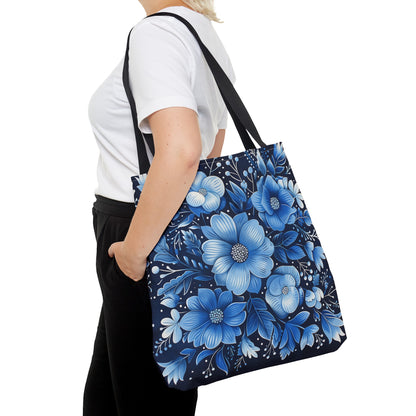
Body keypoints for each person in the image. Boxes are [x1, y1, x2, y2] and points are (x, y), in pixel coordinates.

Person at [83, 0, 236, 414]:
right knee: (118, 396)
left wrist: (134, 253)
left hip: (141, 233)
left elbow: (184, 152)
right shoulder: (200, 31)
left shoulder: (157, 34)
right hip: (166, 225)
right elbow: (211, 151)